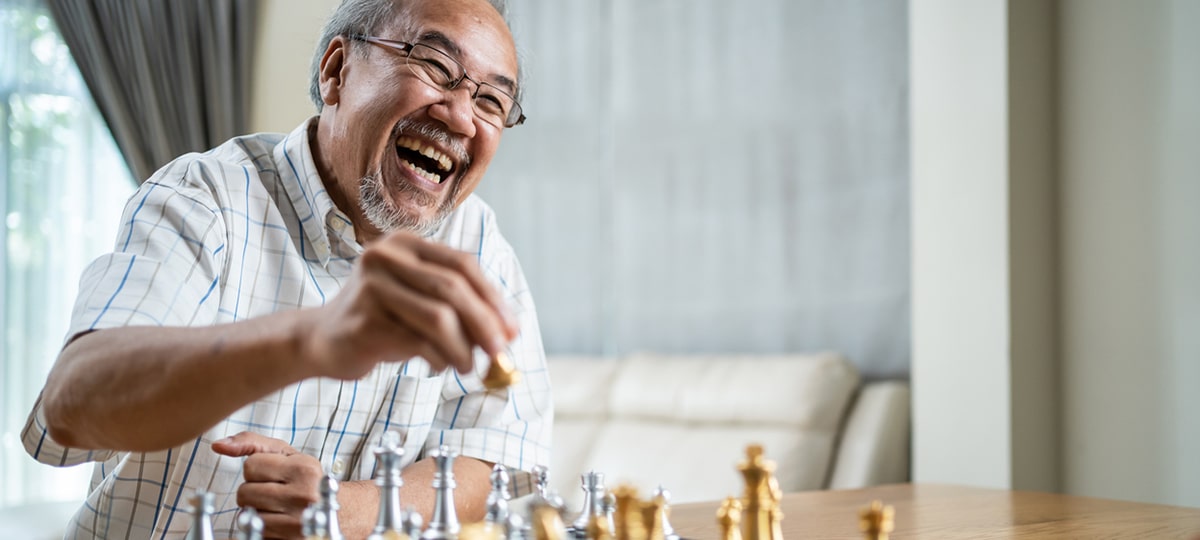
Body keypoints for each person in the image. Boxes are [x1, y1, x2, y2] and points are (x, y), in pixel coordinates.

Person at [20, 0, 552, 537]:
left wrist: (352, 508)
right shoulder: (204, 197)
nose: (461, 116)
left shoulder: (478, 243)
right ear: (336, 71)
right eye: (435, 66)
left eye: (491, 100)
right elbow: (72, 402)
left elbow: (495, 456)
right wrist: (311, 338)